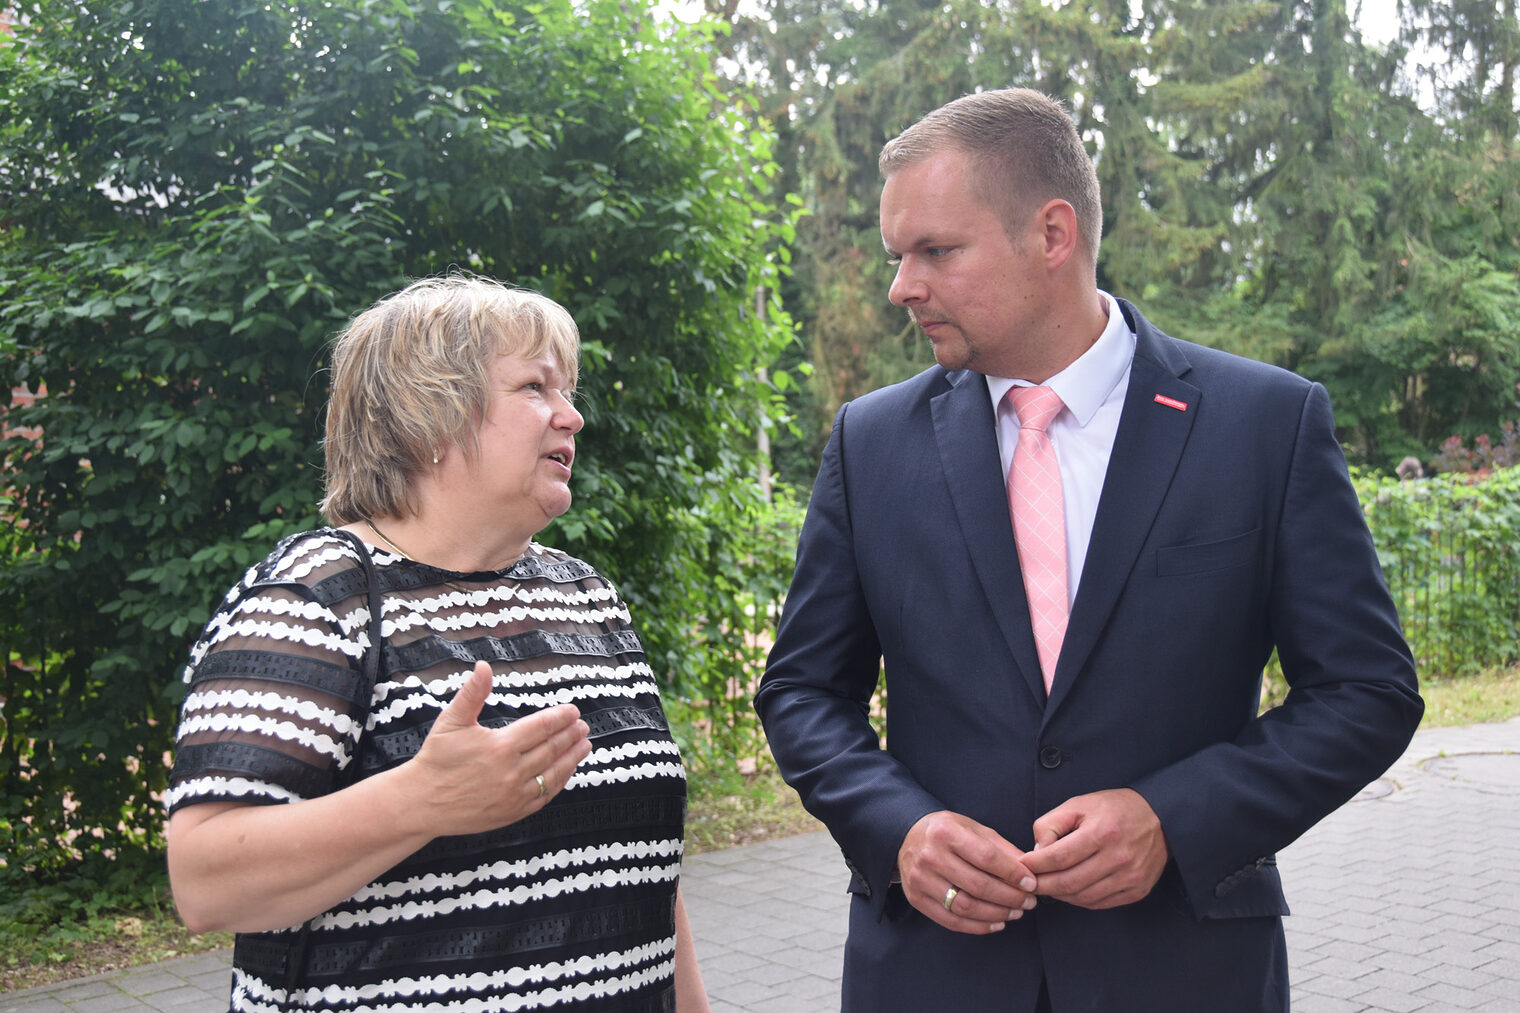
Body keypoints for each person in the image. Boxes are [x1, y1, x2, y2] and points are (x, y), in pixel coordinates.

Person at [753, 89, 1423, 1012]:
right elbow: (800, 690)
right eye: (897, 255)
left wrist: (1174, 818)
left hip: (1184, 974)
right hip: (934, 975)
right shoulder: (871, 444)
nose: (901, 286)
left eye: (935, 250)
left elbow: (1368, 691)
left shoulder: (1265, 424)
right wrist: (898, 829)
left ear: (1053, 233)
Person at [167, 275, 709, 1013]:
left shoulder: (586, 595)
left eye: (568, 390)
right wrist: (421, 800)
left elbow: (646, 873)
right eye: (534, 387)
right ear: (429, 417)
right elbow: (204, 880)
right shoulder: (322, 594)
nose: (571, 416)